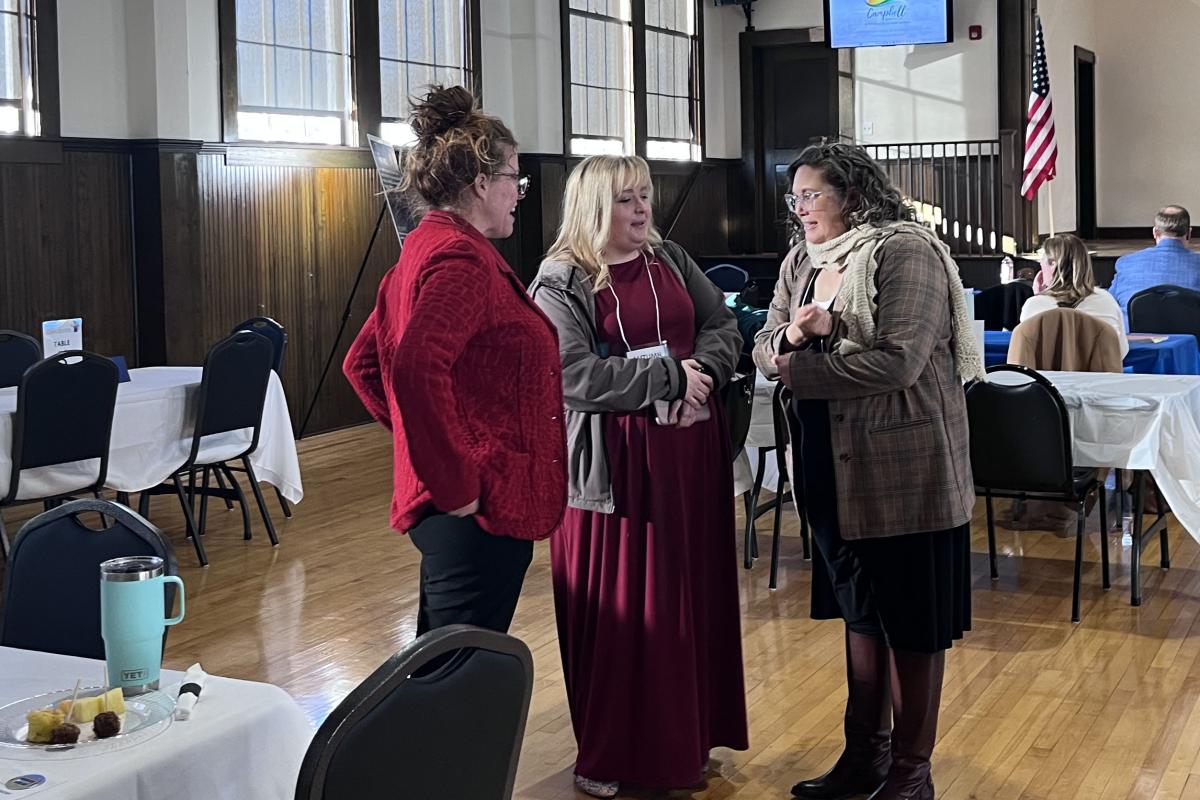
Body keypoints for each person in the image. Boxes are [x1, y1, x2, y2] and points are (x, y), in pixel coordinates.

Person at [754, 143, 983, 800]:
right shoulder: (804, 260)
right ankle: (865, 757)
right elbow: (763, 345)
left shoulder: (904, 250)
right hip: (827, 463)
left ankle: (912, 773)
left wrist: (800, 369)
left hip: (906, 467)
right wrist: (792, 341)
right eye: (794, 197)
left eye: (812, 196)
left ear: (852, 195)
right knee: (860, 611)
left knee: (911, 617)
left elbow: (901, 362)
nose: (799, 210)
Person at [529, 155, 748, 798]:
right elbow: (572, 376)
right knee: (627, 615)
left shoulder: (669, 258)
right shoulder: (560, 280)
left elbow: (724, 324)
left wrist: (700, 373)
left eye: (645, 196)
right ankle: (610, 754)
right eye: (627, 199)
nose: (642, 210)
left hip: (687, 451)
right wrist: (672, 379)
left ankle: (686, 741)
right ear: (594, 206)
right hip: (615, 469)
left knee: (687, 602)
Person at [342, 85, 566, 637]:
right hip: (476, 513)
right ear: (483, 183)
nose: (520, 193)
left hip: (462, 509)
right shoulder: (460, 260)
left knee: (444, 673)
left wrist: (430, 447)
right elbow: (414, 368)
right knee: (459, 682)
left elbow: (364, 365)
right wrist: (455, 477)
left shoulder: (425, 246)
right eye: (516, 178)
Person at [1019, 233, 1129, 357]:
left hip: (1048, 376)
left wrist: (1039, 297)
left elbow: (1026, 351)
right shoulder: (1107, 301)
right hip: (1098, 375)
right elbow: (1121, 352)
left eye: (1041, 263)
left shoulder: (1035, 305)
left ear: (1053, 265)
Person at [1109, 205, 1200, 319]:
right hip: (1192, 335)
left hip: (1136, 336)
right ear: (1189, 233)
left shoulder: (1126, 263)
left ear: (1155, 232)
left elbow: (1110, 303)